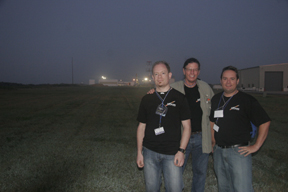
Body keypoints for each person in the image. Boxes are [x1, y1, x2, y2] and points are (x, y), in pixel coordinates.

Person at [147, 58, 214, 192]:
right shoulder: (175, 88)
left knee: (200, 173)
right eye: (189, 69)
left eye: (195, 69)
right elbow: (161, 92)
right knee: (176, 172)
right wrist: (152, 92)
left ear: (199, 72)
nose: (192, 72)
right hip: (181, 138)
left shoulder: (206, 88)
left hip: (202, 137)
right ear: (184, 71)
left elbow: (212, 114)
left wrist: (213, 138)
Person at [209, 66, 271, 192]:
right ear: (220, 80)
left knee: (242, 188)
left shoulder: (246, 100)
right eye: (225, 78)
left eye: (232, 79)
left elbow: (264, 121)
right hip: (219, 152)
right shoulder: (216, 99)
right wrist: (213, 141)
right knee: (224, 187)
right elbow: (212, 121)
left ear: (237, 81)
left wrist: (256, 146)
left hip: (239, 152)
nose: (228, 82)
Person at [136, 61, 191, 192]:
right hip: (149, 152)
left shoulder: (180, 98)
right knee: (152, 189)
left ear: (169, 75)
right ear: (152, 77)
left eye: (163, 73)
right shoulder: (146, 99)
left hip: (172, 153)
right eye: (156, 74)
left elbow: (187, 127)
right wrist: (139, 152)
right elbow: (141, 127)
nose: (159, 77)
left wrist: (181, 151)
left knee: (175, 189)